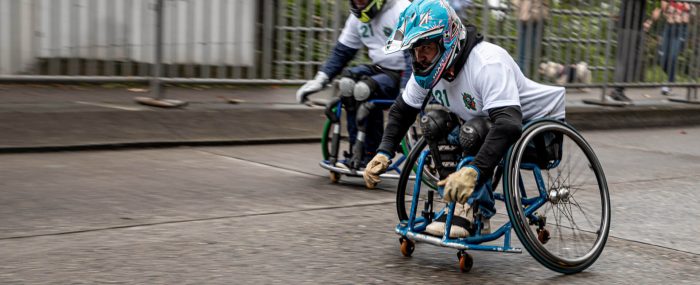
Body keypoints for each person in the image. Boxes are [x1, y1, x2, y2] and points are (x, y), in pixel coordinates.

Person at [363, 0, 566, 238]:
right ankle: (455, 202)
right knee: (434, 121)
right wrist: (384, 151)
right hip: (488, 126)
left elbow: (508, 125)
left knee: (474, 130)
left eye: (426, 49)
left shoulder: (488, 63)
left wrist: (474, 171)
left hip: (537, 132)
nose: (420, 59)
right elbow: (402, 110)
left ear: (447, 41)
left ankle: (473, 209)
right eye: (414, 51)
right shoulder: (429, 68)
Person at [296, 0, 412, 169]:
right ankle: (356, 152)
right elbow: (342, 51)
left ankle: (370, 154)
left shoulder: (403, 11)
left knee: (364, 89)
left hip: (404, 73)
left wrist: (406, 91)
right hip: (380, 68)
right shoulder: (357, 16)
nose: (358, 3)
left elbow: (414, 58)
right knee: (347, 83)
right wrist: (320, 79)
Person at [644, 0, 691, 96]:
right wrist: (650, 20)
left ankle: (669, 83)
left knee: (673, 57)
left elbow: (688, 16)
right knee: (662, 59)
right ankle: (672, 78)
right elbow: (662, 10)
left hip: (680, 30)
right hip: (668, 29)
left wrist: (685, 12)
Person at [607, 0, 648, 104]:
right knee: (625, 58)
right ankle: (617, 91)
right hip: (627, 24)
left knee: (634, 59)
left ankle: (620, 90)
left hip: (637, 25)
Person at [511, 0, 549, 76]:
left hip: (537, 18)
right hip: (525, 18)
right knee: (523, 56)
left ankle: (523, 81)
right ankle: (521, 81)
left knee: (531, 56)